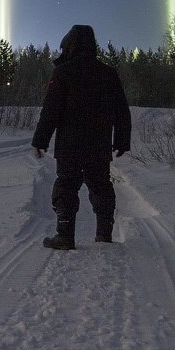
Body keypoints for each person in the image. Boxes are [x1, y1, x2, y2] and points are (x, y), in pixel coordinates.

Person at [31, 24, 132, 250]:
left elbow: (51, 110)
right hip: (99, 143)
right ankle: (104, 235)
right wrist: (122, 140)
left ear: (70, 45)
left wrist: (40, 140)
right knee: (101, 186)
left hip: (70, 145)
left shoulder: (64, 72)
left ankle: (65, 236)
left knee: (66, 185)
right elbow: (121, 110)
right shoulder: (108, 73)